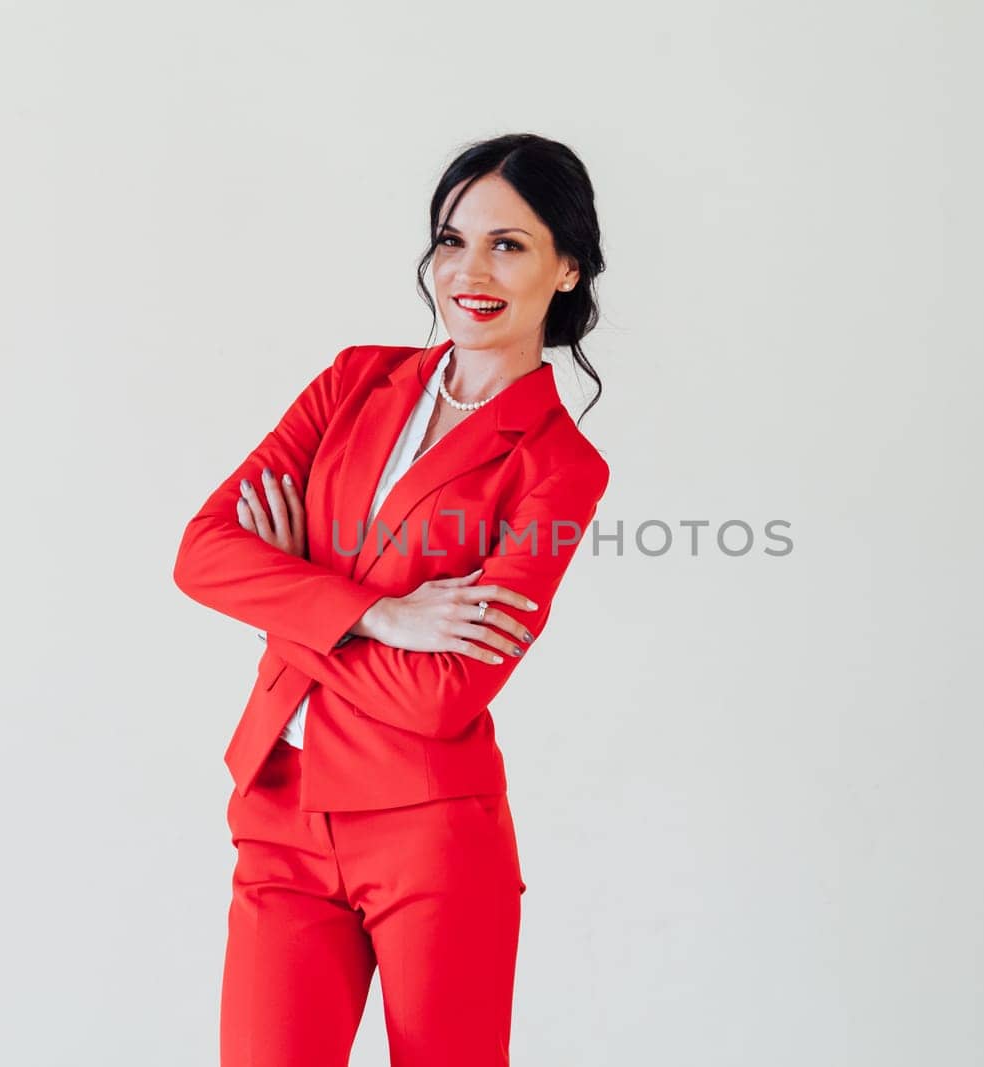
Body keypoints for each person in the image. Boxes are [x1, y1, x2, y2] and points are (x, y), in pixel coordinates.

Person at [171, 132, 610, 1067]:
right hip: (279, 815)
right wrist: (379, 612)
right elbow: (202, 553)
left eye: (510, 243)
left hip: (431, 838)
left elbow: (444, 696)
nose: (470, 270)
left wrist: (287, 595)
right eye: (452, 240)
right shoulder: (353, 380)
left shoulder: (559, 469)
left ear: (567, 267)